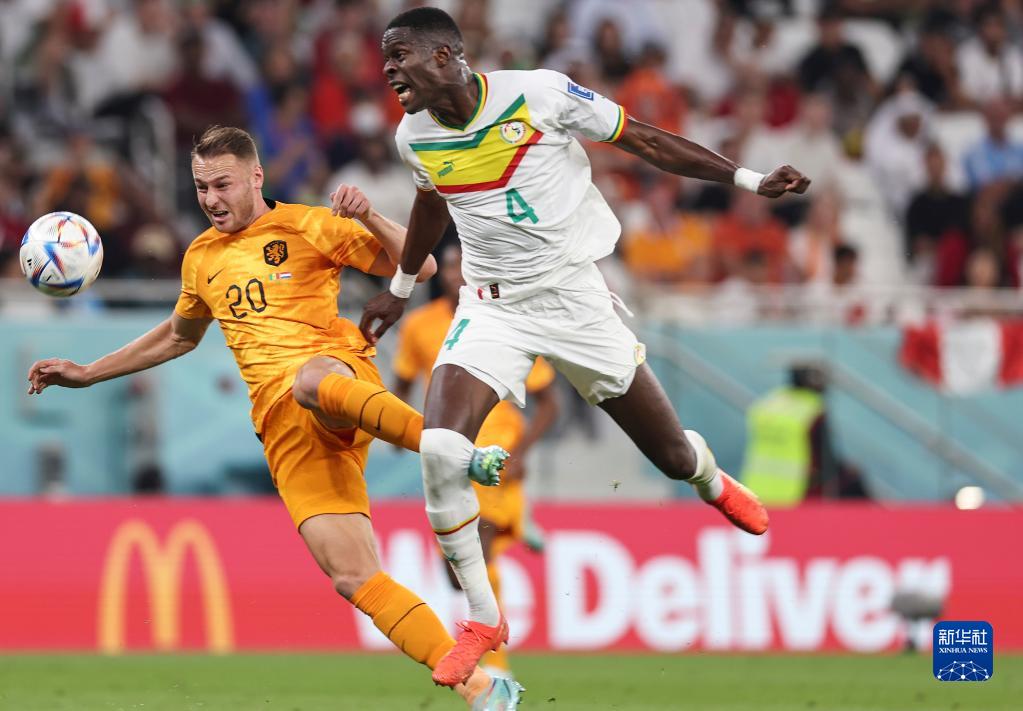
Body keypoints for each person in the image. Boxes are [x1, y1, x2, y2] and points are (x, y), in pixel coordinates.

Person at [359, 7, 810, 688]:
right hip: (491, 307)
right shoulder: (412, 137)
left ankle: (709, 479)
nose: (389, 69)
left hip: (574, 298)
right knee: (441, 449)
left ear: (445, 55)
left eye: (400, 55)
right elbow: (431, 203)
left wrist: (748, 180)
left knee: (669, 455)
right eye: (385, 59)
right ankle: (482, 618)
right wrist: (399, 288)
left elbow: (645, 141)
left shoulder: (538, 94)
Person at [25, 125, 516, 709]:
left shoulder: (307, 224)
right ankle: (480, 688)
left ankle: (451, 450)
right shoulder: (201, 258)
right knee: (352, 576)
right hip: (283, 429)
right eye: (201, 187)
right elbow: (178, 337)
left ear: (256, 177)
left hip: (336, 380)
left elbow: (423, 264)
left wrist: (369, 215)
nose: (211, 199)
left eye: (223, 184)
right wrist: (88, 372)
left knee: (308, 381)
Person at [392, 243, 559, 681]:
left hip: (496, 456)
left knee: (480, 555)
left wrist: (521, 454)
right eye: (451, 266)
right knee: (456, 574)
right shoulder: (419, 326)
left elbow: (549, 403)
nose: (458, 274)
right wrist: (393, 429)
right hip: (447, 453)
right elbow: (403, 381)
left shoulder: (507, 322)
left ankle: (497, 668)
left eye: (466, 266)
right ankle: (522, 523)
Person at [740, 364, 870, 506]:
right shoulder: (813, 409)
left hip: (757, 488)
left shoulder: (768, 403)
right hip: (796, 491)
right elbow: (826, 457)